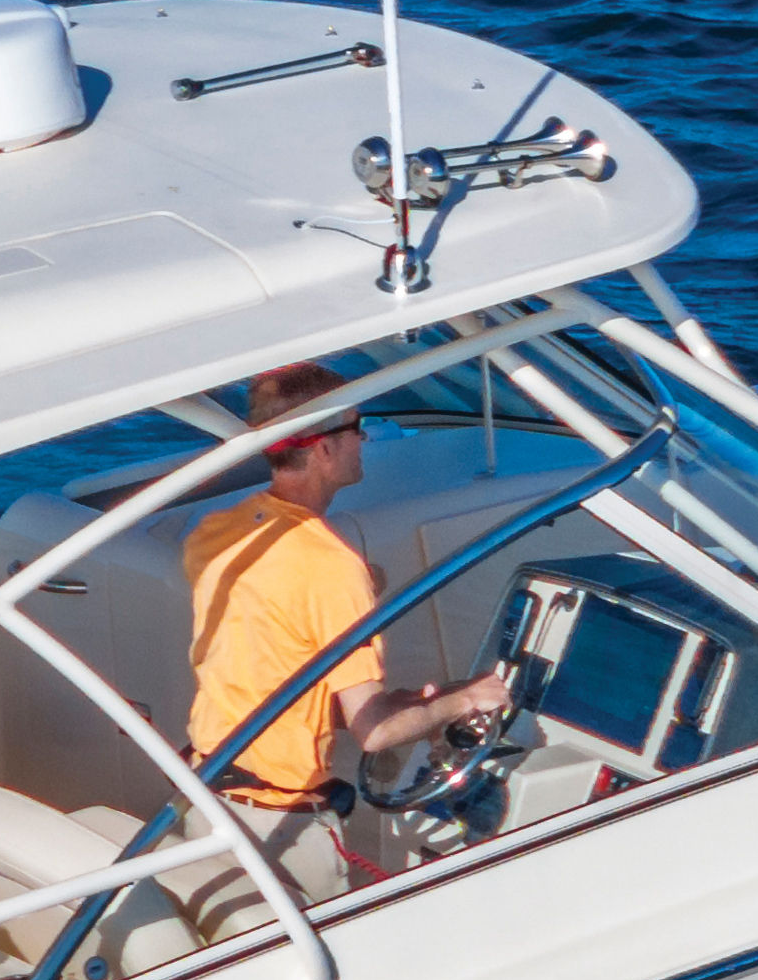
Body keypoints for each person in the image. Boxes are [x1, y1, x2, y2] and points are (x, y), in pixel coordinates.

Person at [177, 365, 516, 902]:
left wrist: (415, 703)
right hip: (279, 827)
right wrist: (468, 698)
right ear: (324, 448)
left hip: (208, 796)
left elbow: (271, 657)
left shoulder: (217, 531)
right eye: (357, 427)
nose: (364, 439)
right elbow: (374, 733)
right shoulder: (330, 568)